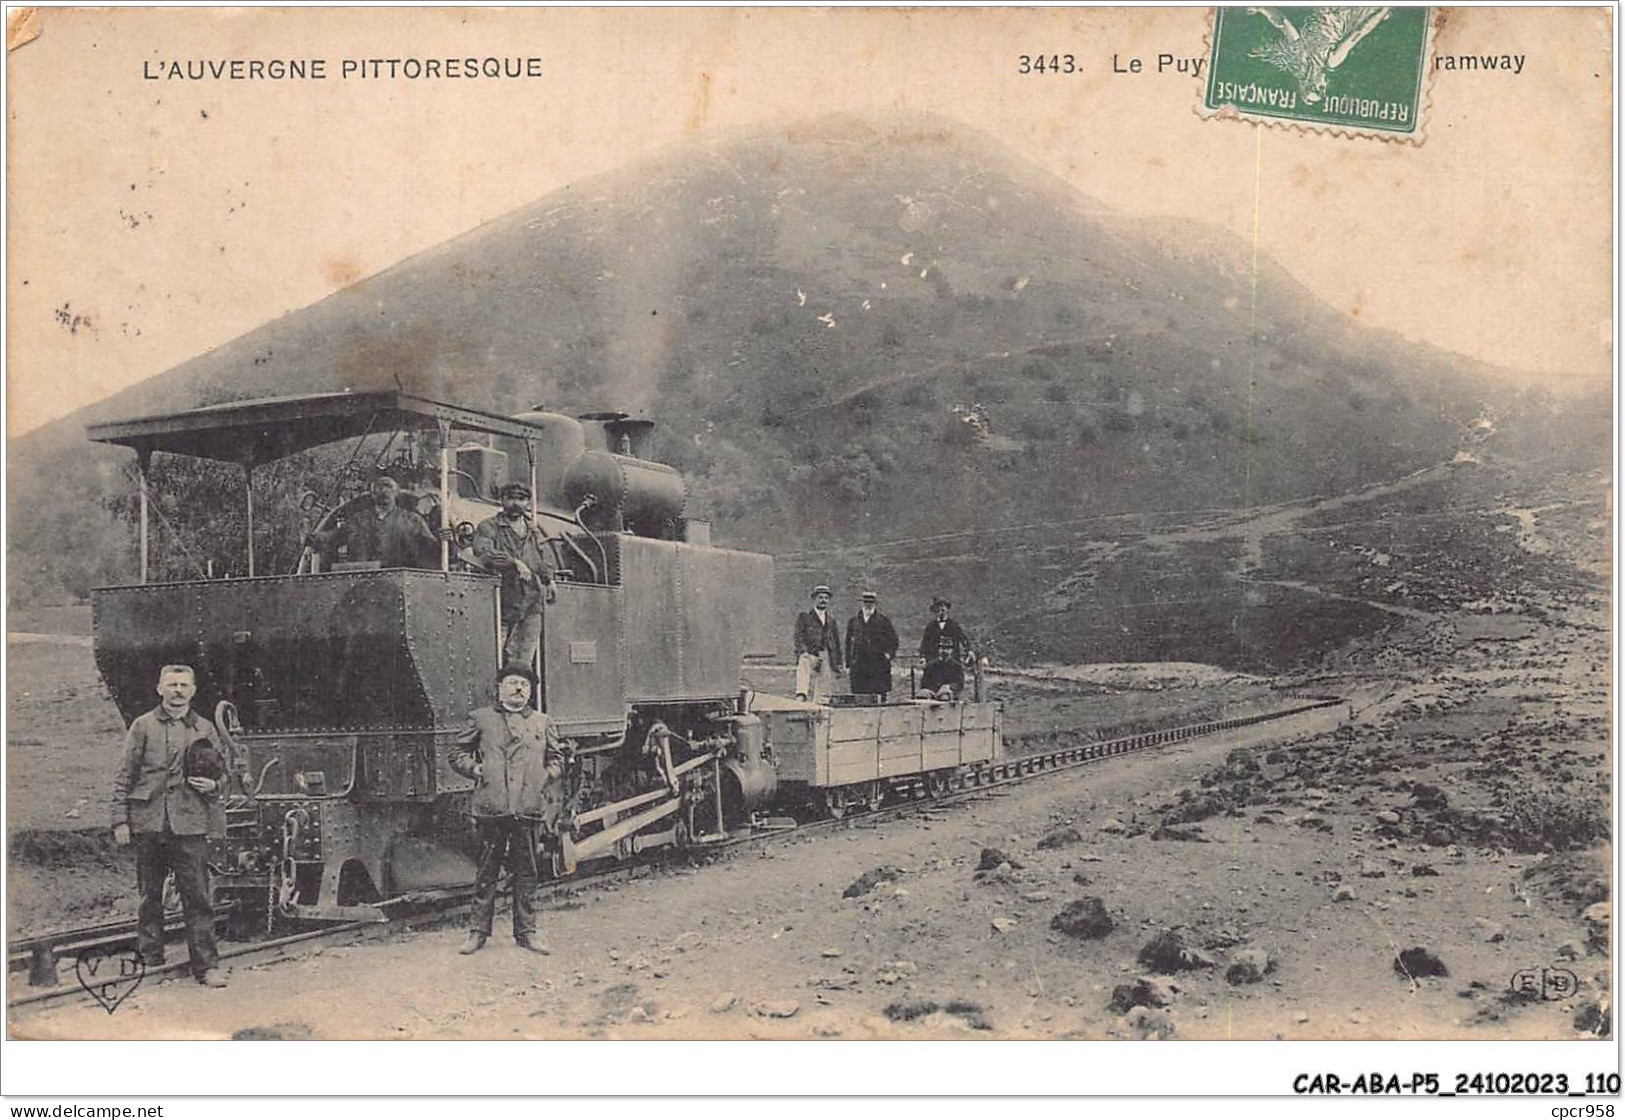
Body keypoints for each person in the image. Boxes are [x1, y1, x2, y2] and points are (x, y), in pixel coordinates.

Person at [110, 664, 229, 987]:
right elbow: (124, 775)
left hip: (190, 825)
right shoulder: (143, 726)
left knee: (198, 897)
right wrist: (121, 819)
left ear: (193, 691)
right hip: (149, 824)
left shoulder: (205, 729)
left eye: (184, 685)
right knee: (150, 896)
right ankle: (150, 960)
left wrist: (214, 787)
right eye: (172, 685)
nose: (178, 691)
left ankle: (206, 967)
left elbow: (225, 776)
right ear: (159, 689)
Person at [449, 667, 565, 955]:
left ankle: (527, 933)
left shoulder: (542, 721)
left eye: (524, 685)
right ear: (499, 687)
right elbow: (456, 753)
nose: (519, 689)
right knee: (486, 871)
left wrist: (544, 777)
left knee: (527, 872)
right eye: (513, 683)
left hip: (528, 807)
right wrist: (476, 769)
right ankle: (477, 933)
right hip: (493, 807)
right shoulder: (482, 718)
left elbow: (557, 759)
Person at [472, 481, 557, 673]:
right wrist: (514, 563)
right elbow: (484, 552)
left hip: (532, 603)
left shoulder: (533, 531)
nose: (516, 503)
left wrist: (549, 579)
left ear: (528, 502)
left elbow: (543, 557)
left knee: (524, 659)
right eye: (510, 498)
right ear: (502, 501)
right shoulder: (489, 526)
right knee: (494, 656)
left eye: (521, 499)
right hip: (502, 601)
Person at [315, 472, 439, 570]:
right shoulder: (358, 520)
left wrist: (447, 543)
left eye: (388, 487)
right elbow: (334, 536)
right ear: (372, 494)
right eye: (379, 488)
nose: (384, 491)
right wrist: (317, 538)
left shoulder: (413, 520)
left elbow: (431, 548)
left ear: (396, 493)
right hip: (364, 581)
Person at [792, 585, 844, 702]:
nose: (823, 600)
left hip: (826, 653)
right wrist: (804, 651)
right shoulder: (804, 616)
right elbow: (798, 636)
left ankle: (819, 702)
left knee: (825, 682)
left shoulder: (831, 620)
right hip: (810, 653)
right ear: (814, 599)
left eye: (826, 598)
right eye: (820, 597)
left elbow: (836, 642)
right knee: (803, 662)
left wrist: (839, 663)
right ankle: (801, 694)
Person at [845, 590, 899, 699]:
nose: (868, 605)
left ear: (875, 604)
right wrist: (848, 663)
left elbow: (894, 640)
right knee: (860, 695)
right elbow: (848, 643)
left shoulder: (883, 620)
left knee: (878, 694)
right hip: (859, 664)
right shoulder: (854, 621)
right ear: (862, 603)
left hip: (878, 663)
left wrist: (888, 654)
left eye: (871, 602)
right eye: (866, 602)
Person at [918, 596, 974, 698]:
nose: (941, 612)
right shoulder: (930, 626)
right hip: (934, 659)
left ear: (947, 610)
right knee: (930, 686)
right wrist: (922, 657)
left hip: (952, 659)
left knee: (949, 688)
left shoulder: (954, 625)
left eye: (943, 609)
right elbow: (924, 643)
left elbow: (963, 639)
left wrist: (969, 650)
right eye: (938, 610)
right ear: (935, 612)